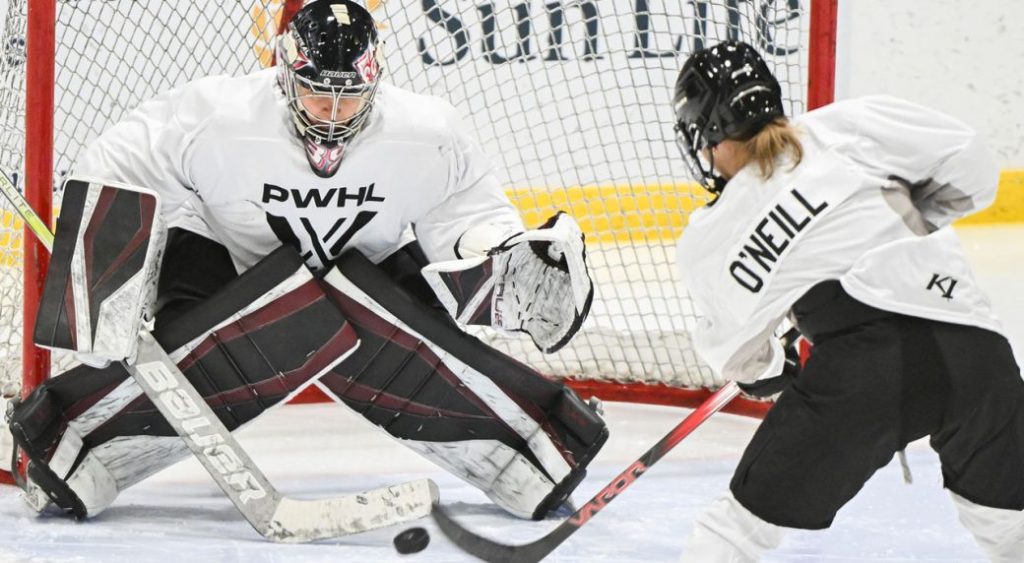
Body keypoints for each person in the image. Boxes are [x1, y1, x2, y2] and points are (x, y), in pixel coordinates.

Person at [7, 0, 604, 524]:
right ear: (285, 74)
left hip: (369, 281)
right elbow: (119, 161)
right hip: (230, 273)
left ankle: (540, 447)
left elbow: (466, 213)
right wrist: (107, 273)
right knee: (251, 319)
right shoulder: (219, 117)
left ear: (376, 83)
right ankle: (62, 443)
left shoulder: (428, 134)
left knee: (373, 316)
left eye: (350, 96)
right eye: (318, 90)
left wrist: (501, 254)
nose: (333, 112)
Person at [671, 41, 1024, 561]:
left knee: (736, 531)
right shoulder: (848, 125)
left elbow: (741, 360)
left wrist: (779, 363)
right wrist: (906, 228)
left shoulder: (709, 235)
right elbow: (973, 169)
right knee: (1012, 531)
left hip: (866, 379)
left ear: (711, 137)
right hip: (978, 352)